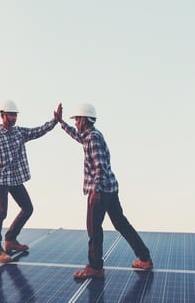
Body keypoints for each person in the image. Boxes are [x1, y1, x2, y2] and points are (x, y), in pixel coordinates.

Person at [56, 102, 153, 279]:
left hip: (100, 190)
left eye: (77, 119)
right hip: (110, 188)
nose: (76, 122)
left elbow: (99, 166)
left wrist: (95, 191)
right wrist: (61, 122)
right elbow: (77, 136)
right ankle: (145, 258)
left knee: (93, 228)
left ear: (84, 120)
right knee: (121, 224)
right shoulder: (90, 135)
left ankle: (95, 267)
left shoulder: (92, 138)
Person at [0, 100, 61, 263]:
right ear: (3, 115)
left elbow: (38, 131)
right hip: (2, 179)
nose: (13, 118)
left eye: (15, 115)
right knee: (1, 212)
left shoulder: (19, 133)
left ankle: (10, 239)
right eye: (11, 115)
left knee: (27, 208)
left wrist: (54, 121)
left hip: (16, 178)